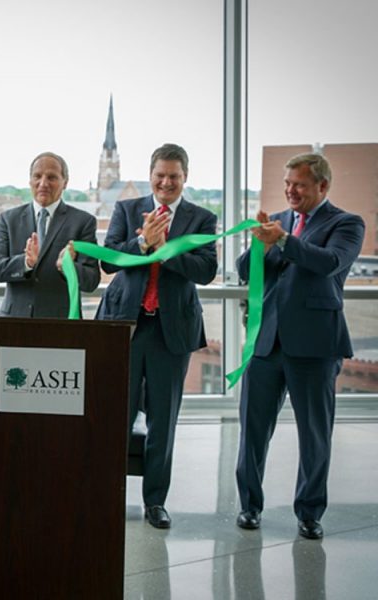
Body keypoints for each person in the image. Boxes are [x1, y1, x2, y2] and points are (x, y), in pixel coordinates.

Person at [234, 153, 364, 539]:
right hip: (266, 344)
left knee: (314, 434)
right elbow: (245, 271)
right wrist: (258, 245)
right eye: (287, 183)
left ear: (322, 187)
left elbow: (331, 262)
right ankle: (249, 507)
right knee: (252, 432)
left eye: (300, 185)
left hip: (315, 346)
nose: (290, 191)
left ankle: (309, 513)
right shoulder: (277, 220)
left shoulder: (346, 223)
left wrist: (284, 241)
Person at [96, 143, 218, 529]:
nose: (166, 182)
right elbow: (108, 259)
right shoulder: (127, 209)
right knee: (116, 418)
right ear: (150, 175)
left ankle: (155, 502)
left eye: (174, 176)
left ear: (185, 178)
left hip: (171, 332)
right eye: (160, 175)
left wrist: (166, 251)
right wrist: (142, 244)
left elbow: (206, 270)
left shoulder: (201, 218)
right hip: (126, 326)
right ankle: (109, 494)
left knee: (163, 422)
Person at [0, 152, 100, 315]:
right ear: (30, 181)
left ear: (65, 183)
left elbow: (91, 281)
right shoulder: (8, 219)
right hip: (15, 323)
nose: (43, 183)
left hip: (61, 324)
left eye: (51, 177)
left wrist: (67, 268)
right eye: (37, 176)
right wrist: (26, 263)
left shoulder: (83, 222)